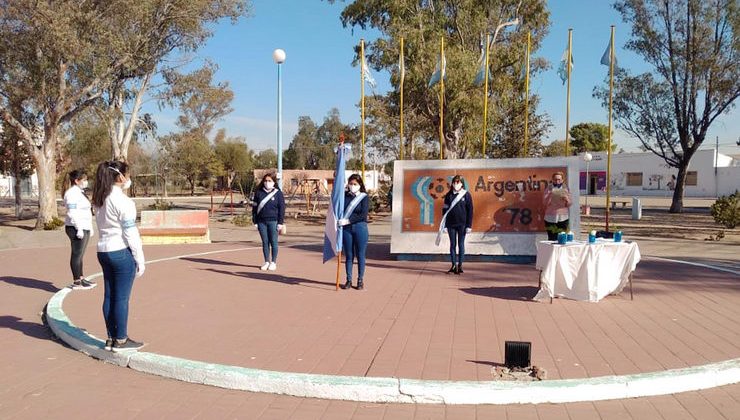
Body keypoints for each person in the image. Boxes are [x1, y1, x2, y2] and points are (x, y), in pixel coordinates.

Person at [92, 160, 146, 352]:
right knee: (121, 298)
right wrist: (139, 258)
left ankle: (111, 338)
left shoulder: (99, 198)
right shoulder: (123, 201)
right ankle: (121, 340)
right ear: (120, 177)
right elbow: (130, 233)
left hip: (103, 251)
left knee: (109, 296)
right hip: (120, 251)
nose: (128, 178)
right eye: (127, 174)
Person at [63, 169, 96, 289]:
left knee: (81, 254)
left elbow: (87, 211)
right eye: (84, 179)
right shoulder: (71, 194)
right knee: (76, 254)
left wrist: (90, 227)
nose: (86, 182)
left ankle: (81, 278)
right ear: (77, 181)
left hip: (85, 226)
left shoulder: (80, 192)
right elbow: (72, 212)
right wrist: (79, 228)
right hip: (75, 227)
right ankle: (77, 281)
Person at [337, 174, 369, 290]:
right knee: (349, 255)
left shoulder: (364, 197)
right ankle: (348, 280)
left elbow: (363, 214)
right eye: (350, 183)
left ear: (360, 185)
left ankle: (360, 280)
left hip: (360, 228)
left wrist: (348, 220)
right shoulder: (344, 196)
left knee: (360, 255)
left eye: (355, 184)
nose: (352, 186)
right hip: (347, 230)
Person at [440, 175, 473, 275]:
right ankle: (453, 265)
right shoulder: (448, 195)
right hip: (450, 224)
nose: (456, 184)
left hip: (462, 224)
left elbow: (470, 211)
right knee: (452, 245)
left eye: (458, 182)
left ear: (462, 183)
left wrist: (469, 225)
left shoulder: (466, 195)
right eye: (454, 182)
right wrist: (444, 225)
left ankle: (460, 265)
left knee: (461, 245)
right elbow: (444, 210)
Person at [251, 173, 285, 271]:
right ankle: (266, 261)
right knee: (265, 242)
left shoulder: (278, 193)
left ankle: (273, 262)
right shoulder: (258, 193)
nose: (267, 183)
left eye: (269, 181)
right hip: (261, 222)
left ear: (274, 182)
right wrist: (255, 221)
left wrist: (280, 223)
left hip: (273, 221)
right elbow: (254, 208)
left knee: (273, 242)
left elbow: (282, 209)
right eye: (265, 181)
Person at [543, 171, 572, 241]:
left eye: (559, 179)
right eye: (555, 179)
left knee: (562, 238)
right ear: (552, 180)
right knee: (552, 239)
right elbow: (544, 203)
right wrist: (550, 195)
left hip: (563, 217)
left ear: (562, 180)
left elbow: (569, 204)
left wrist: (567, 199)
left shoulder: (566, 188)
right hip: (550, 217)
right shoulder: (548, 188)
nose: (557, 181)